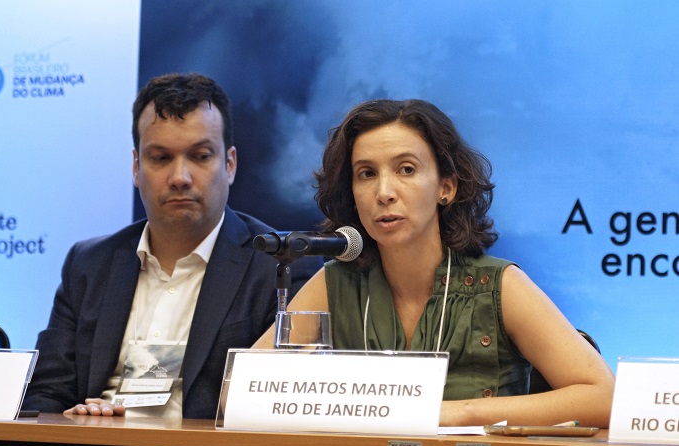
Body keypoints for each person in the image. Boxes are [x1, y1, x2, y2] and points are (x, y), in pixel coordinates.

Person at [254, 99, 615, 427]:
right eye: (367, 174)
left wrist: (460, 412)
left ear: (446, 187)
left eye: (406, 169)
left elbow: (604, 396)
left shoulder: (498, 286)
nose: (384, 192)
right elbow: (238, 391)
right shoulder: (335, 283)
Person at [23, 73, 322, 418]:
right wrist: (72, 422)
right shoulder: (88, 265)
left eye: (200, 156)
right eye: (161, 158)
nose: (180, 177)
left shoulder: (280, 265)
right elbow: (45, 394)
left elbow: (282, 406)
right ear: (137, 167)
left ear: (229, 165)